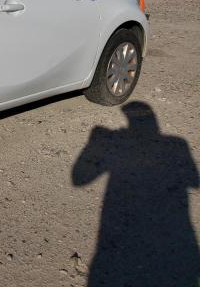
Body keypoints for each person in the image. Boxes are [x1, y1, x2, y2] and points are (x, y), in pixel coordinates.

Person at [72, 101, 199, 286]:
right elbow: (193, 181)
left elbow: (78, 179)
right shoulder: (178, 144)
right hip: (173, 237)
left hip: (117, 241)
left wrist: (94, 142)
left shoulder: (176, 144)